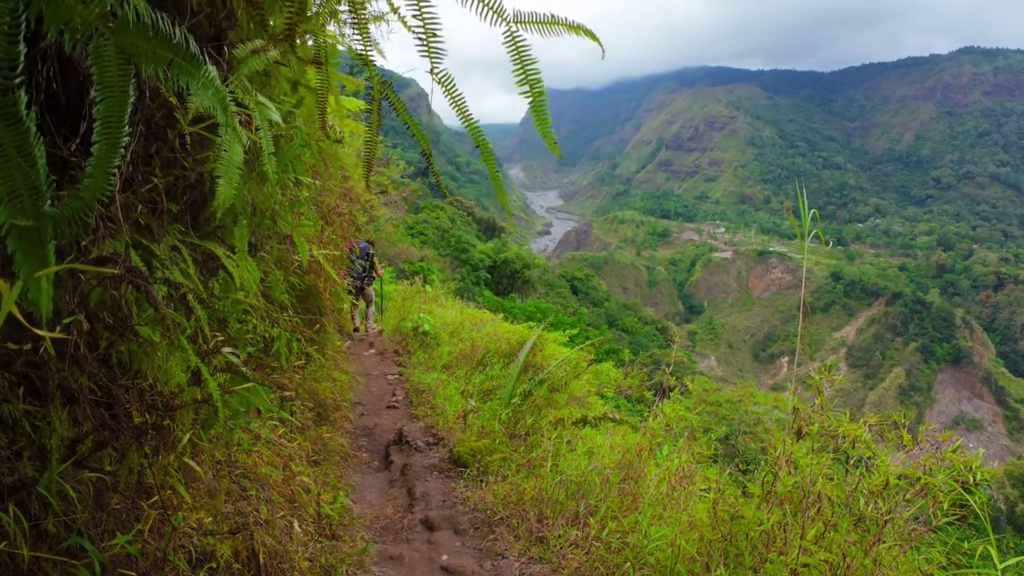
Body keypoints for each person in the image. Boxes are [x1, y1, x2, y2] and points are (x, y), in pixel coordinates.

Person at [346, 238, 384, 333]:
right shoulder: (371, 256)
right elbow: (379, 274)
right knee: (370, 303)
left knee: (354, 304)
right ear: (371, 246)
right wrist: (382, 271)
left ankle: (356, 325)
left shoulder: (353, 254)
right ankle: (369, 326)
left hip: (353, 282)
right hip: (366, 283)